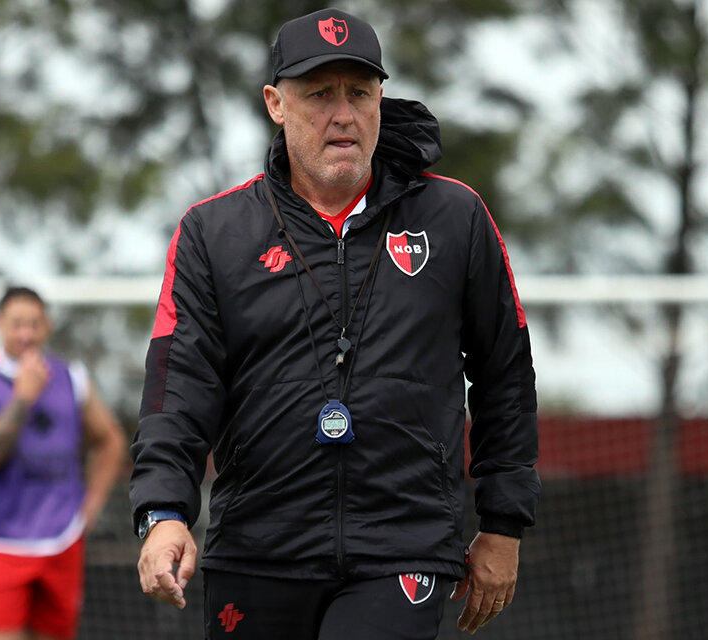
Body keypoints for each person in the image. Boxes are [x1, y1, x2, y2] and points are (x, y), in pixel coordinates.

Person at [130, 8, 539, 639]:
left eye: (359, 92)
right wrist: (163, 512)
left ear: (381, 98)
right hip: (257, 548)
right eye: (319, 93)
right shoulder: (213, 233)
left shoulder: (456, 218)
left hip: (403, 547)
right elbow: (178, 389)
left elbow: (504, 377)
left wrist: (503, 525)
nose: (342, 113)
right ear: (276, 103)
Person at [0, 285, 126, 640]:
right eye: (16, 324)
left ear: (48, 326)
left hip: (62, 540)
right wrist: (23, 397)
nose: (26, 333)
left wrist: (90, 507)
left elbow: (111, 440)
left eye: (34, 323)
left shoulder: (73, 378)